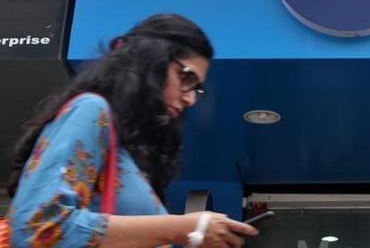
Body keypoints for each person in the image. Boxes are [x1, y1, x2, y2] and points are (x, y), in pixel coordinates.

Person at [5, 13, 257, 247]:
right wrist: (182, 227)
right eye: (186, 77)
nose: (190, 99)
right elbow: (38, 228)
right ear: (150, 60)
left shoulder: (128, 150)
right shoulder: (92, 109)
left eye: (197, 89)